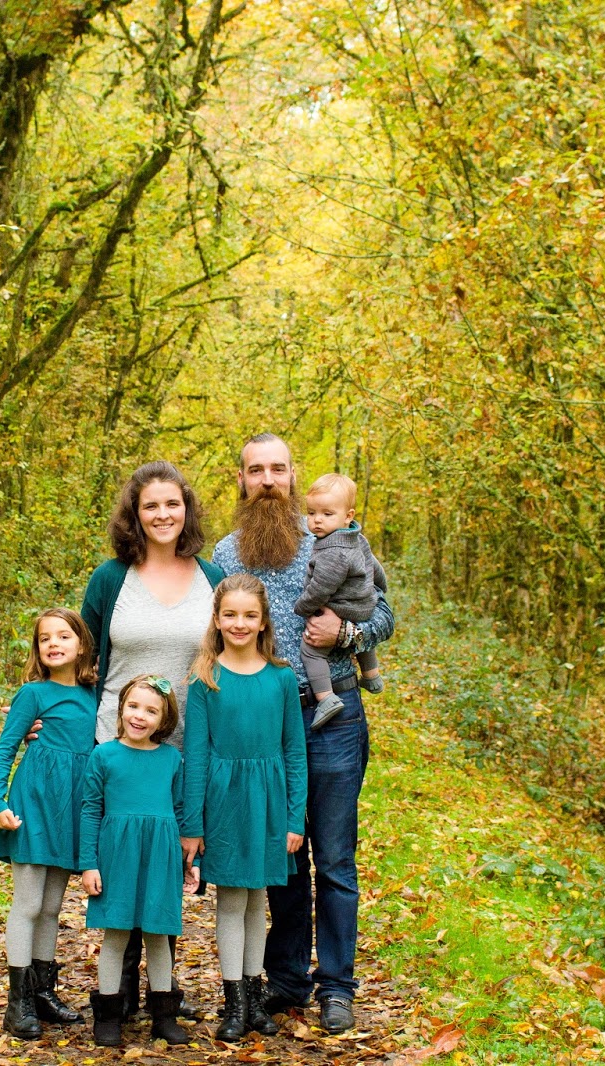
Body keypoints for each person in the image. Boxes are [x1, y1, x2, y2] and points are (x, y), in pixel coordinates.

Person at [211, 433, 395, 1034]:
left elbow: (385, 615)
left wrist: (346, 636)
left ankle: (336, 987)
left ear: (293, 476)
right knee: (283, 856)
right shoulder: (226, 553)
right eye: (255, 470)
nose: (267, 480)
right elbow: (209, 637)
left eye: (278, 469)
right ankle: (286, 980)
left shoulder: (333, 538)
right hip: (263, 725)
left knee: (335, 859)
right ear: (241, 480)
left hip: (333, 714)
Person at [78, 461, 223, 1018]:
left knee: (165, 864)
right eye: (151, 506)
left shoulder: (211, 577)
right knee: (121, 861)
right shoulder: (110, 579)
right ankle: (118, 996)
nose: (163, 514)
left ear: (186, 509)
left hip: (184, 749)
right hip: (117, 744)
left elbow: (228, 657)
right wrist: (50, 716)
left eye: (172, 504)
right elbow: (81, 660)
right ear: (134, 515)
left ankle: (163, 994)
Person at [179, 574, 306, 1041]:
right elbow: (196, 755)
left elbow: (294, 751)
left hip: (268, 801)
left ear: (263, 621)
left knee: (257, 901)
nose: (239, 623)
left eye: (249, 615)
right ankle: (233, 1003)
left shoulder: (282, 677)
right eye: (230, 614)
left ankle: (253, 1001)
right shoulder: (205, 678)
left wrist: (294, 817)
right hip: (225, 801)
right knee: (232, 900)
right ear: (216, 620)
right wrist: (192, 823)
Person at [0, 609, 99, 1038]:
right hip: (33, 804)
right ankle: (17, 1005)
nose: (53, 643)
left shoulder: (94, 696)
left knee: (52, 908)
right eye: (45, 638)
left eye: (64, 636)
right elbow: (5, 748)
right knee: (29, 904)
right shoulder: (32, 694)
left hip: (71, 808)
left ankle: (42, 993)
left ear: (82, 644)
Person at [80, 676, 192, 1048]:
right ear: (121, 708)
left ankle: (164, 1017)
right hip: (117, 858)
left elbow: (179, 811)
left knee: (159, 935)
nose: (139, 716)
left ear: (164, 720)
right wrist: (89, 863)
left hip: (160, 856)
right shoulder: (104, 755)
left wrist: (188, 862)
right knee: (116, 935)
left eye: (151, 711)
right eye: (133, 706)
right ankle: (109, 1017)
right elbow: (90, 810)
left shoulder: (171, 759)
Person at [296, 472, 387, 729]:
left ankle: (326, 698)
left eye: (327, 514)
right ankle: (371, 675)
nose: (317, 520)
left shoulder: (332, 550)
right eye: (311, 513)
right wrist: (379, 588)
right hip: (362, 604)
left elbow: (321, 588)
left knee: (310, 651)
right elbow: (375, 569)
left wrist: (302, 607)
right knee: (362, 642)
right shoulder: (357, 538)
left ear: (348, 515)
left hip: (342, 606)